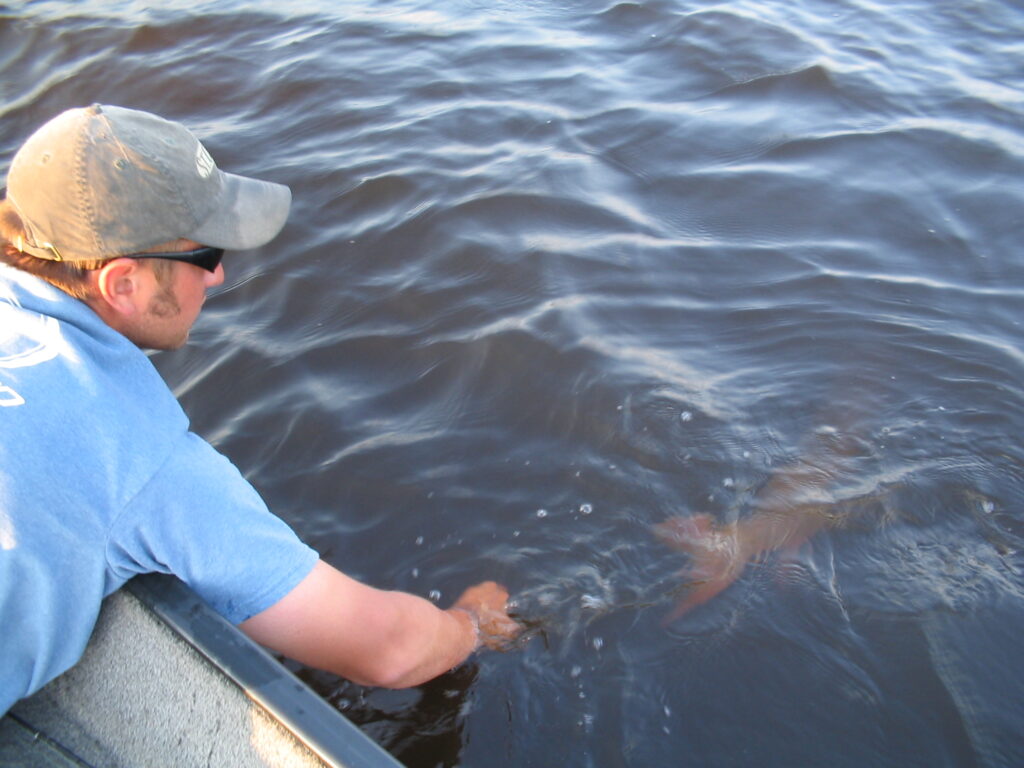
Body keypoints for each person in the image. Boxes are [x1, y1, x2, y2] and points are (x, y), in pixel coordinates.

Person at [0, 104, 520, 716]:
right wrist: (473, 622)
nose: (219, 275)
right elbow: (390, 651)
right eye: (205, 254)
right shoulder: (139, 454)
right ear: (122, 284)